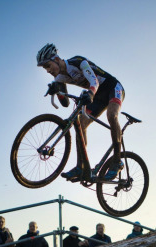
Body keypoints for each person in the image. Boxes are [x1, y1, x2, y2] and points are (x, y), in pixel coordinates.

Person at [37, 43, 126, 181]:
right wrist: (58, 91)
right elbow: (65, 103)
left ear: (56, 59)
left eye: (48, 66)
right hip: (97, 96)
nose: (47, 70)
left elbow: (94, 81)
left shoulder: (78, 62)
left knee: (112, 115)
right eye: (45, 68)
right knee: (80, 123)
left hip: (112, 87)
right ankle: (81, 165)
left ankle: (117, 160)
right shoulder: (59, 78)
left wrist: (90, 93)